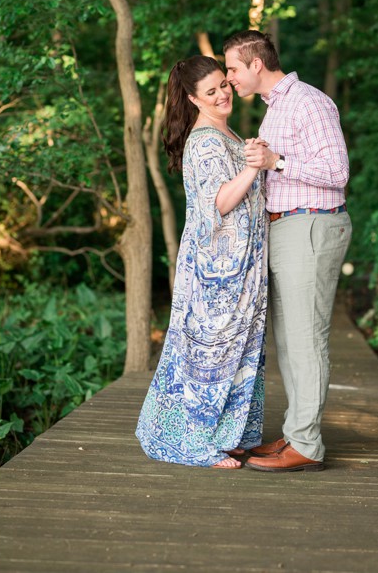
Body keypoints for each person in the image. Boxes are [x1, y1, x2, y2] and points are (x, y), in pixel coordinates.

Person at [222, 30, 352, 473]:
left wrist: (276, 161)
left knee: (305, 340)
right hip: (285, 227)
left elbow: (337, 171)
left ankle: (307, 444)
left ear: (256, 63)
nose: (229, 78)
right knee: (289, 342)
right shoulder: (275, 109)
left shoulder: (308, 102)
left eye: (233, 69)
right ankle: (297, 433)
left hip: (310, 224)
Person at [136, 55, 268, 470]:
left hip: (240, 266)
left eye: (223, 85)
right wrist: (252, 168)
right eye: (210, 92)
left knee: (237, 350)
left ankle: (226, 435)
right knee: (210, 355)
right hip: (218, 270)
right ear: (194, 98)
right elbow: (221, 202)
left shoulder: (223, 131)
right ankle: (193, 444)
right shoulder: (206, 140)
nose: (223, 94)